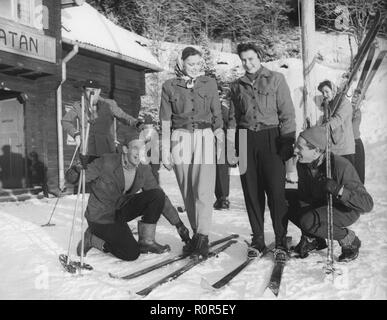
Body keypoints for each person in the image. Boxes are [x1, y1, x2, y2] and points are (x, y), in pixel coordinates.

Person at [65, 138, 190, 261]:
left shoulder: (143, 168)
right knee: (131, 253)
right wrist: (75, 172)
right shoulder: (107, 162)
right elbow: (80, 178)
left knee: (157, 195)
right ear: (125, 149)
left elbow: (160, 197)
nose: (139, 153)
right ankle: (92, 238)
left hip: (121, 209)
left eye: (142, 149)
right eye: (136, 148)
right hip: (101, 216)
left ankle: (147, 241)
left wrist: (178, 224)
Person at [229, 43, 296, 258]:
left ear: (259, 57)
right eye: (244, 60)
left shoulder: (276, 79)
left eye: (251, 59)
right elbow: (233, 118)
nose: (248, 63)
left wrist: (287, 141)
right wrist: (232, 145)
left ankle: (280, 239)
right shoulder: (236, 86)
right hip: (245, 139)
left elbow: (287, 113)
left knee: (276, 193)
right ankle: (258, 239)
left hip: (272, 138)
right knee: (251, 191)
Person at [159, 46, 224, 257]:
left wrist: (221, 139)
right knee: (187, 190)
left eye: (198, 64)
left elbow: (217, 114)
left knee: (203, 189)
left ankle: (203, 237)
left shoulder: (209, 83)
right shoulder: (169, 86)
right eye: (190, 64)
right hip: (179, 137)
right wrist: (165, 149)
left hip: (205, 136)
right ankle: (197, 234)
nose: (195, 68)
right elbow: (165, 120)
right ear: (181, 63)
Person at [288, 126, 373, 262]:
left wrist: (338, 190)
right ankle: (314, 239)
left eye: (300, 147)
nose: (295, 150)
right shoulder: (303, 164)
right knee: (284, 199)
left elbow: (367, 204)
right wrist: (306, 232)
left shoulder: (340, 166)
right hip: (322, 205)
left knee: (307, 220)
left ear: (316, 151)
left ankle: (349, 239)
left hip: (344, 210)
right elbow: (304, 197)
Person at [62, 79, 142, 162]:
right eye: (88, 90)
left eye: (93, 91)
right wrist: (75, 134)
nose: (90, 93)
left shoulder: (109, 104)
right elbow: (65, 121)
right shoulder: (79, 106)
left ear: (99, 91)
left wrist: (138, 124)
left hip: (106, 150)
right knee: (88, 174)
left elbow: (123, 116)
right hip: (87, 150)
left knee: (107, 174)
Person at [317, 80, 355, 165]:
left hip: (345, 148)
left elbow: (338, 119)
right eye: (323, 92)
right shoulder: (328, 106)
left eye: (327, 91)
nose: (324, 95)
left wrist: (322, 129)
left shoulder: (344, 103)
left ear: (333, 90)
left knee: (346, 176)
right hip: (334, 149)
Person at [214, 84, 235, 210]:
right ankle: (221, 198)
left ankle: (223, 198)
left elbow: (230, 123)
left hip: (220, 142)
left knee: (221, 171)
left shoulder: (222, 109)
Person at [352, 102, 365, 183]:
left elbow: (353, 129)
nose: (355, 98)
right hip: (348, 145)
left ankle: (360, 194)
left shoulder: (357, 112)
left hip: (356, 143)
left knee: (359, 173)